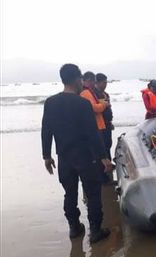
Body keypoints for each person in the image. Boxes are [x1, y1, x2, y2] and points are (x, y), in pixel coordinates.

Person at [41, 64, 113, 243]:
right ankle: (95, 231)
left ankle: (74, 228)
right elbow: (92, 133)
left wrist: (46, 156)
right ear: (76, 79)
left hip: (64, 157)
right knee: (93, 193)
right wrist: (104, 158)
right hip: (86, 158)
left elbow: (46, 130)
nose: (82, 82)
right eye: (81, 78)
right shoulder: (82, 103)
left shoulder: (50, 103)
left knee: (69, 193)